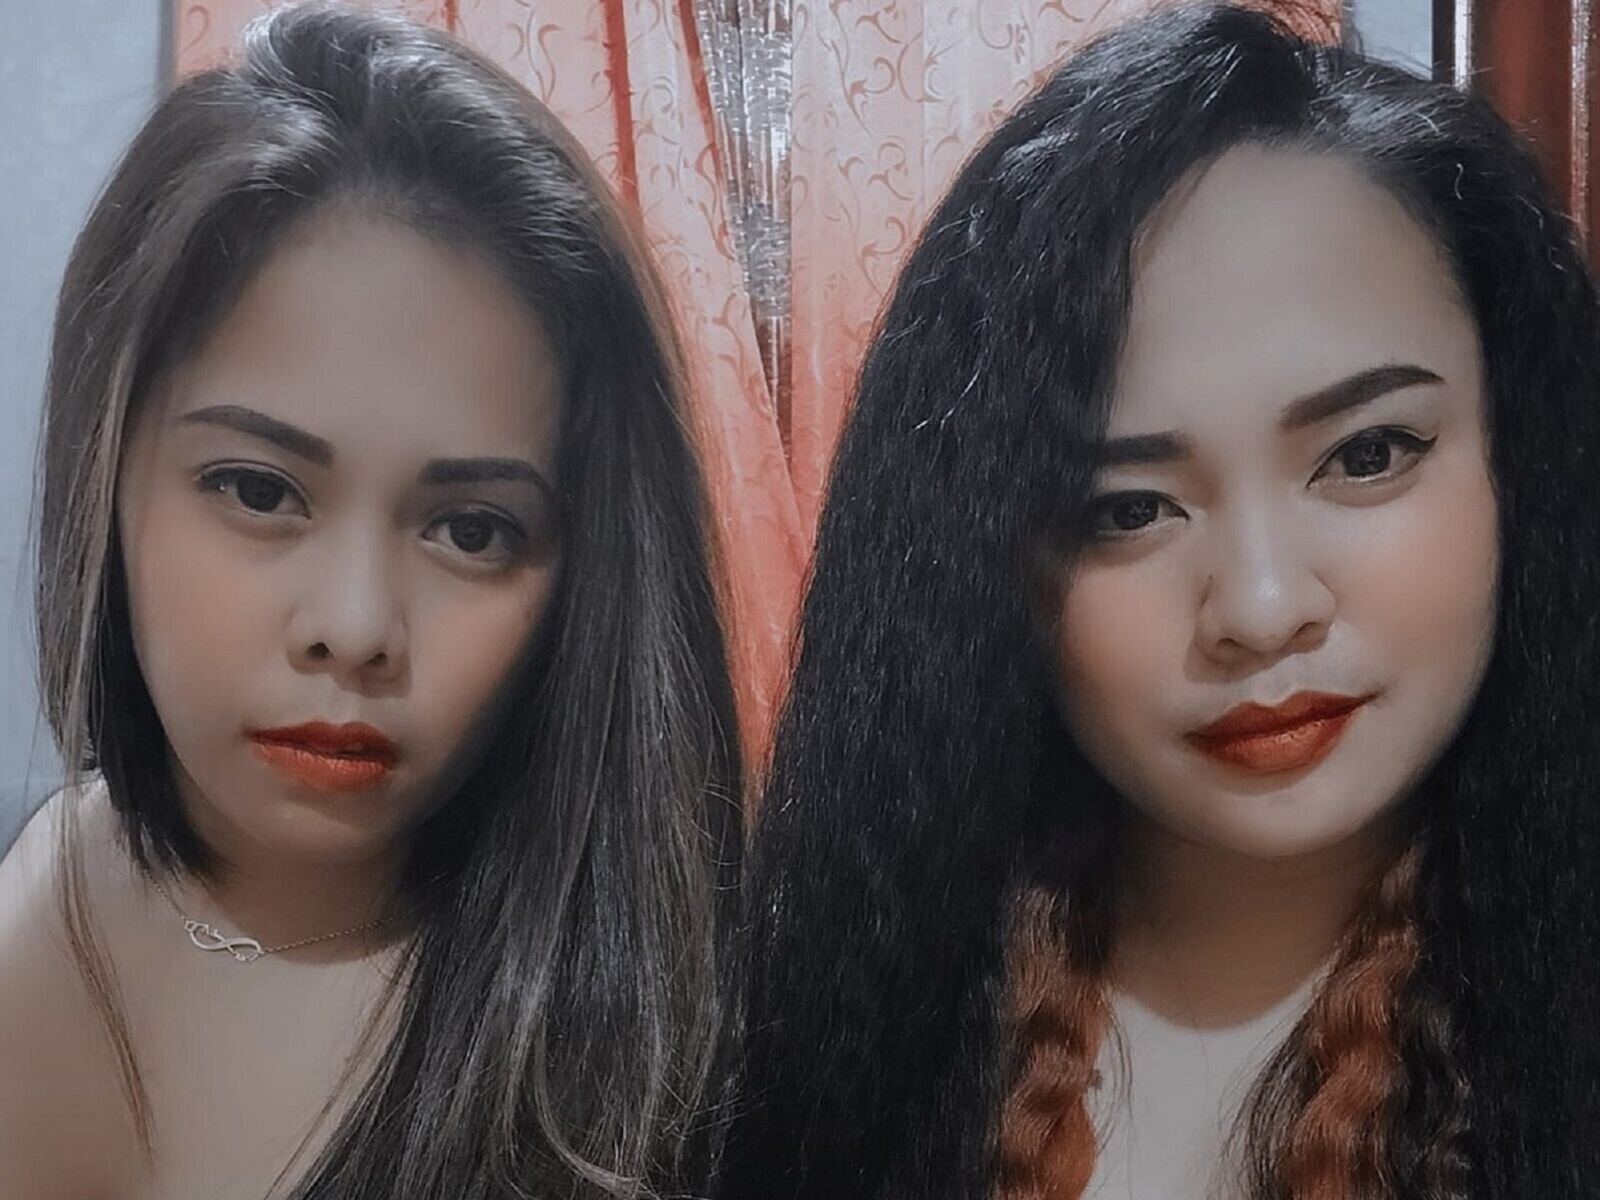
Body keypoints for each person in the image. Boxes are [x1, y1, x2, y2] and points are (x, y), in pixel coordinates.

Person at [727, 5, 1600, 1199]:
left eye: (1365, 455)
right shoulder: (819, 1038)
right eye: (1126, 509)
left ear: (1522, 456)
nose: (1260, 608)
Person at [0, 5, 743, 1198]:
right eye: (258, 490)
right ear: (109, 468)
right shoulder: (40, 892)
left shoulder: (683, 1041)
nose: (352, 629)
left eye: (471, 530)